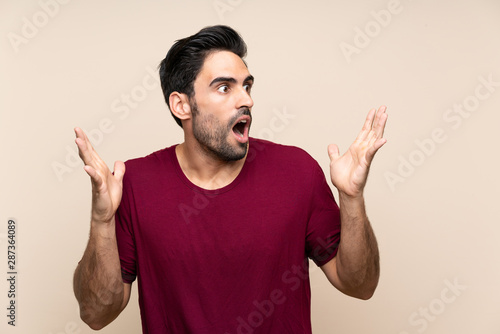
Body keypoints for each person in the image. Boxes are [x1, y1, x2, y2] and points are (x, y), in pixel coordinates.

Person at [73, 25, 387, 334]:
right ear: (181, 105)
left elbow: (359, 285)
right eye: (225, 88)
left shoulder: (297, 172)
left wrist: (351, 197)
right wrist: (102, 221)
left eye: (246, 86)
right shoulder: (136, 184)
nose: (246, 100)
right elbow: (97, 314)